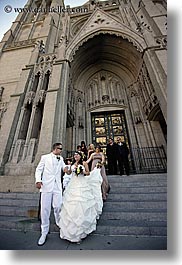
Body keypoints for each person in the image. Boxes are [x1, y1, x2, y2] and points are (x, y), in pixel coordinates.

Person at [35, 142, 71, 246]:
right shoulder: (45, 157)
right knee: (45, 209)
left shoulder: (61, 159)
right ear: (55, 149)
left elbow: (64, 168)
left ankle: (59, 223)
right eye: (60, 149)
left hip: (57, 187)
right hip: (46, 186)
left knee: (58, 205)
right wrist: (38, 180)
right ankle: (44, 232)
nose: (61, 150)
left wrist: (68, 170)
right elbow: (38, 169)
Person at [59, 151, 98, 243]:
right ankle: (69, 232)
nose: (75, 156)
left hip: (82, 185)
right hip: (72, 185)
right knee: (71, 206)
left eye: (77, 155)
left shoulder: (84, 163)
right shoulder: (72, 164)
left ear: (81, 156)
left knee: (80, 205)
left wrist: (82, 171)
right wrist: (66, 171)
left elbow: (88, 173)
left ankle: (80, 231)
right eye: (75, 155)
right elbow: (69, 173)